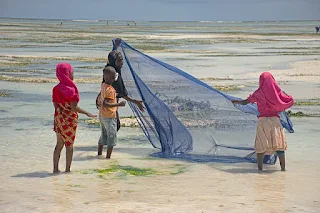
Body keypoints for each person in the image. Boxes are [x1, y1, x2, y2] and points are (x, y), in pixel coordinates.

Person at [232, 72, 294, 171]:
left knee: (261, 145)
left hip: (263, 122)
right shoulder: (277, 93)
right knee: (279, 145)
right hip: (275, 121)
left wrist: (235, 101)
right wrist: (284, 93)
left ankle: (260, 170)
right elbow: (289, 100)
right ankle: (283, 170)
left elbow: (245, 102)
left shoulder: (258, 93)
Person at [96, 49, 145, 155]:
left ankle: (101, 152)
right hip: (110, 109)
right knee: (113, 130)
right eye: (120, 60)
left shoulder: (109, 71)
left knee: (108, 130)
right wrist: (135, 102)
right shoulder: (115, 76)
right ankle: (107, 156)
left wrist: (116, 47)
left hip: (104, 110)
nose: (122, 63)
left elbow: (107, 88)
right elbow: (122, 94)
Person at [52, 63, 96, 173]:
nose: (73, 74)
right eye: (72, 72)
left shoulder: (56, 89)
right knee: (69, 145)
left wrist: (61, 113)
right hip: (70, 120)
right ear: (67, 74)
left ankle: (55, 169)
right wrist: (87, 113)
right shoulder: (72, 89)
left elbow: (56, 105)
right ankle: (67, 170)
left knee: (59, 145)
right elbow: (74, 107)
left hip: (59, 118)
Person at [98, 66, 126, 158]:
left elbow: (104, 99)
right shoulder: (110, 89)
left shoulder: (104, 86)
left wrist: (115, 95)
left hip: (102, 115)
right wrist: (118, 105)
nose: (115, 78)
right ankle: (108, 158)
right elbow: (106, 104)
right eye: (113, 76)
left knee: (103, 135)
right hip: (110, 116)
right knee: (111, 137)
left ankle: (99, 154)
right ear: (109, 78)